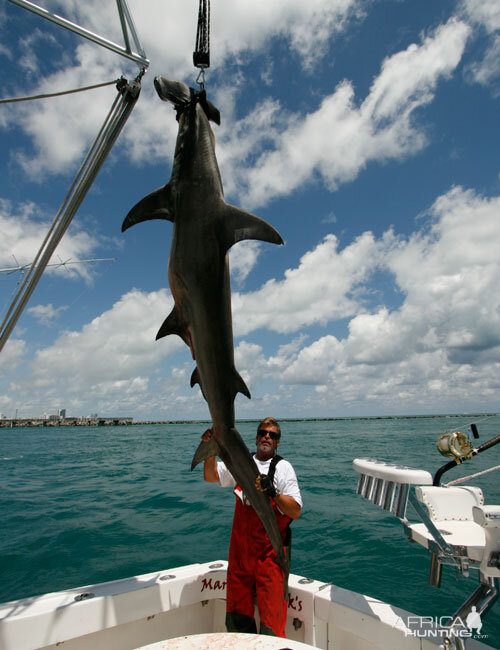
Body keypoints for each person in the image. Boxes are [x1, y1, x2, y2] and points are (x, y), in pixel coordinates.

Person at [202, 417, 302, 637]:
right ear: (256, 437)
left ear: (277, 442)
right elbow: (210, 476)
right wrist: (211, 449)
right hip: (240, 556)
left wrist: (273, 493)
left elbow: (295, 511)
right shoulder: (240, 461)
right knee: (237, 620)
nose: (267, 437)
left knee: (272, 625)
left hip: (270, 558)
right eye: (263, 433)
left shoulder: (284, 468)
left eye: (272, 435)